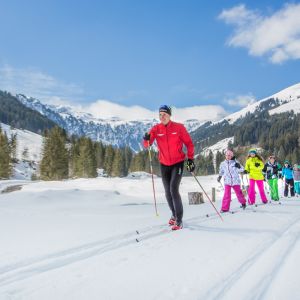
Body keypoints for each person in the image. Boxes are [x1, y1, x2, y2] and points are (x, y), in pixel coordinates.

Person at [143, 105, 195, 230]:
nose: (162, 117)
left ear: (170, 115)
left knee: (173, 189)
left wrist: (191, 159)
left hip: (178, 163)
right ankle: (173, 214)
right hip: (164, 164)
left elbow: (189, 143)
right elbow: (147, 144)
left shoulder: (179, 128)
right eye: (160, 115)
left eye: (164, 114)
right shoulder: (156, 128)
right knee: (167, 192)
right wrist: (146, 139)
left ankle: (179, 219)